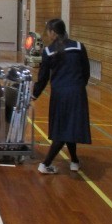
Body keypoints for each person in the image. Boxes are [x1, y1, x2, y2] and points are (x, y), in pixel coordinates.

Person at [32, 18, 91, 174]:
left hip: (60, 95)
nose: (47, 34)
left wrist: (34, 94)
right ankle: (74, 161)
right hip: (77, 93)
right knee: (69, 126)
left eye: (48, 31)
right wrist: (78, 87)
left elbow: (43, 78)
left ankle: (45, 164)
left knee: (63, 130)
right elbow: (86, 72)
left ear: (53, 32)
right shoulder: (79, 47)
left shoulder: (49, 51)